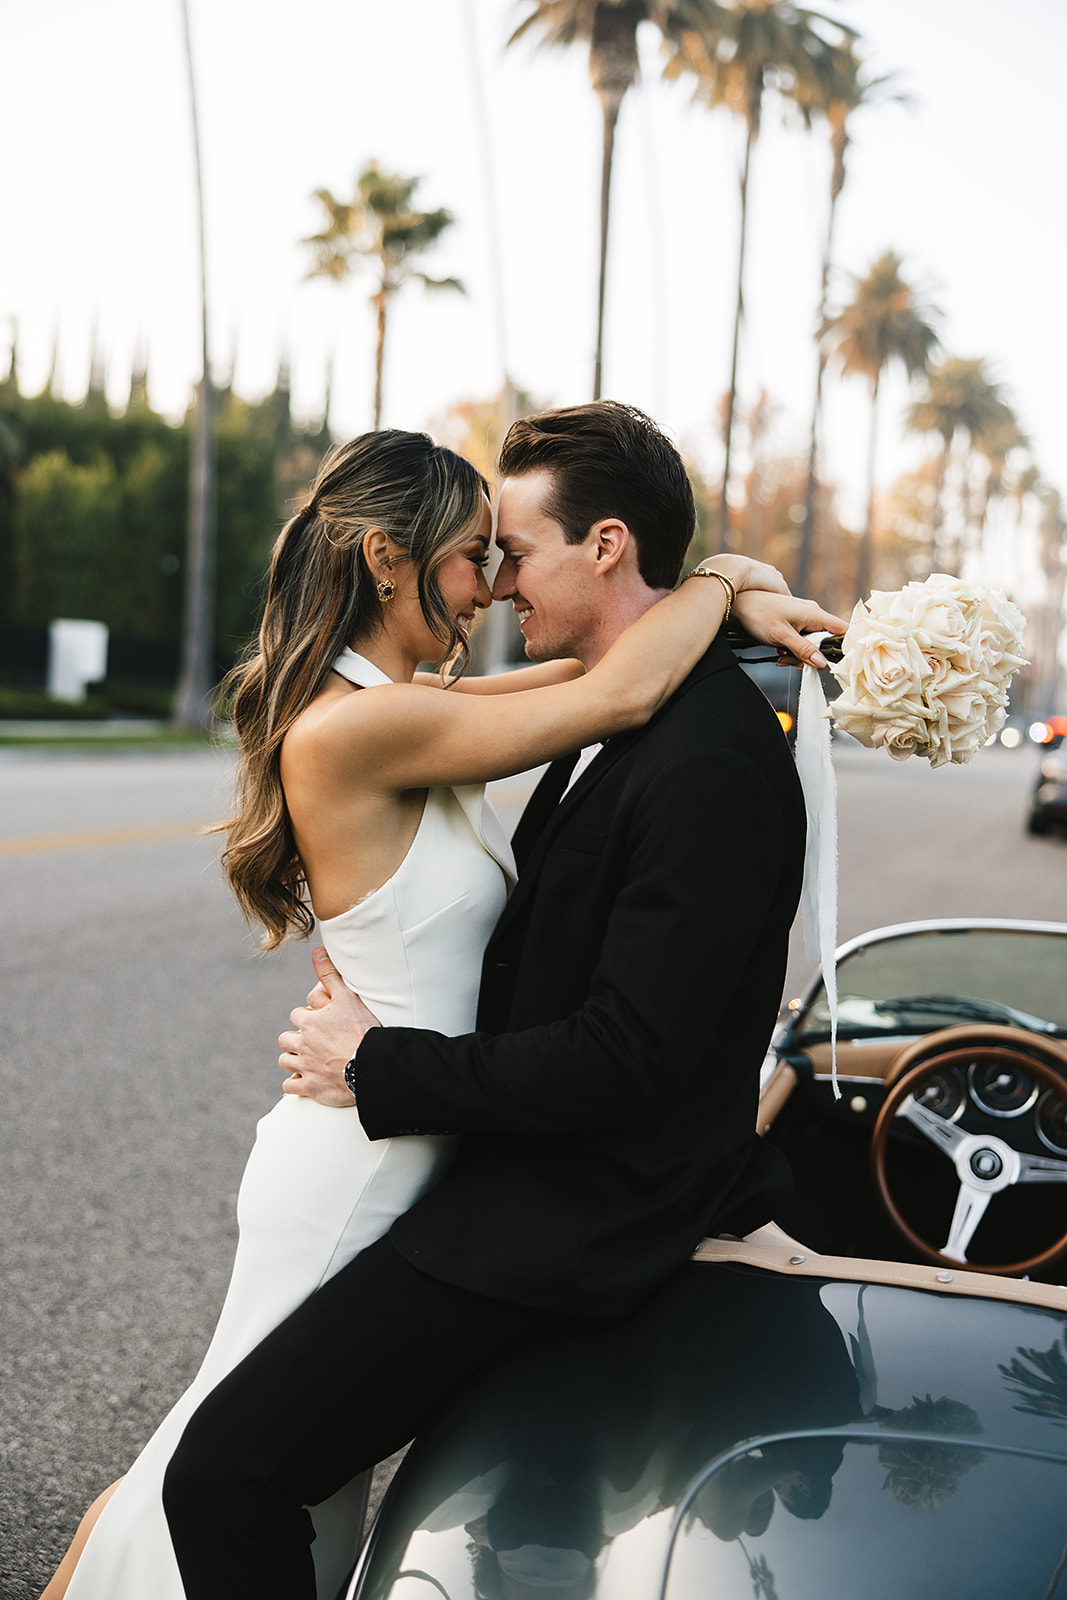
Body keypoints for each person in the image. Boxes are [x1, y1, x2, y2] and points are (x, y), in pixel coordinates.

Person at [43, 413, 839, 1600]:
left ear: (606, 544)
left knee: (274, 1474)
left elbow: (614, 675)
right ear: (384, 557)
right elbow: (617, 686)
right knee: (225, 1467)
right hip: (360, 1155)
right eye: (477, 553)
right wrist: (725, 578)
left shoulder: (431, 707)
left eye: (505, 550)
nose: (491, 584)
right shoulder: (373, 722)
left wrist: (732, 594)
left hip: (424, 1136)